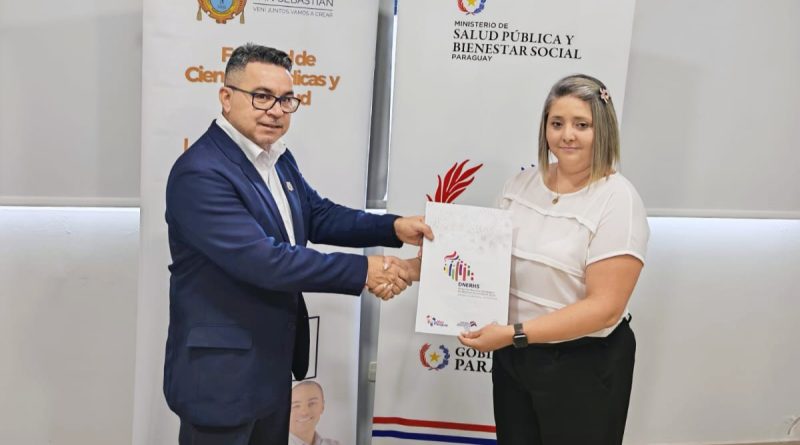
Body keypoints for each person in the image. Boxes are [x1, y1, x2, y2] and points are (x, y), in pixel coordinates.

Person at [164, 43, 432, 445]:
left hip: (270, 369)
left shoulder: (275, 157)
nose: (275, 110)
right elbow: (265, 261)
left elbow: (317, 214)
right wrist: (367, 270)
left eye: (286, 99)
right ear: (226, 97)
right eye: (261, 96)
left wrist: (393, 228)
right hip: (221, 377)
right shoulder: (201, 173)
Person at [456, 74, 650, 444]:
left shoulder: (618, 200)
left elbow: (605, 309)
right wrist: (414, 269)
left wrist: (514, 334)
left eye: (582, 125)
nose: (567, 135)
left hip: (584, 363)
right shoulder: (519, 185)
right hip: (515, 356)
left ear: (603, 130)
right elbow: (484, 261)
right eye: (557, 123)